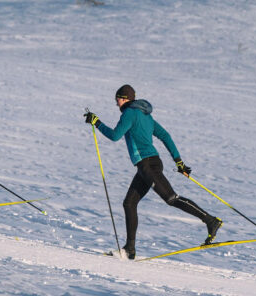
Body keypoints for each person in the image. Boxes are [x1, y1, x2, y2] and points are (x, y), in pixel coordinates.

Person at [84, 84, 221, 259]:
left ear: (124, 99)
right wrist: (178, 161)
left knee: (171, 199)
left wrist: (97, 123)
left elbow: (114, 136)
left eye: (117, 99)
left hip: (148, 165)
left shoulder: (129, 113)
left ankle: (210, 220)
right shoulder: (145, 115)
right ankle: (129, 250)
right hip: (148, 165)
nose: (116, 103)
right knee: (129, 203)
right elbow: (165, 136)